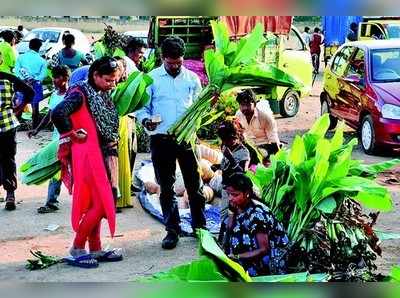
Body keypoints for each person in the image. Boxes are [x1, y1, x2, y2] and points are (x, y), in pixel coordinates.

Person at [136, 36, 207, 249]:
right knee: (165, 188)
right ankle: (172, 230)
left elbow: (198, 106)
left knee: (195, 185)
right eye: (170, 63)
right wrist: (145, 121)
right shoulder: (151, 79)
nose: (175, 66)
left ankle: (199, 227)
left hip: (187, 139)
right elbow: (142, 108)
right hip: (161, 138)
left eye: (179, 62)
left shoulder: (192, 79)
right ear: (162, 58)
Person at [51, 56, 122, 266]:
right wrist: (72, 134)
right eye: (109, 80)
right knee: (101, 204)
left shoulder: (99, 94)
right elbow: (58, 113)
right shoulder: (80, 93)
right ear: (95, 75)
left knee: (95, 202)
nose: (113, 84)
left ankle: (96, 248)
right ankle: (77, 247)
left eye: (115, 80)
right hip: (88, 156)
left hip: (98, 154)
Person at [219, 173, 290, 277]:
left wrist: (238, 256)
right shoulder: (235, 206)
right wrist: (231, 215)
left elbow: (263, 249)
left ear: (247, 193)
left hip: (267, 257)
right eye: (229, 194)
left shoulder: (257, 214)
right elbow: (228, 230)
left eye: (235, 195)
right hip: (243, 255)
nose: (230, 198)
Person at [28, 65, 70, 214]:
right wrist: (37, 129)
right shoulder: (55, 95)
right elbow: (49, 115)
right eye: (53, 77)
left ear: (65, 78)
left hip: (71, 138)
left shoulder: (71, 95)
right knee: (55, 169)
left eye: (57, 77)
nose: (54, 80)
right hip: (57, 139)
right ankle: (51, 201)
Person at [0, 71, 34, 211]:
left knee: (7, 159)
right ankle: (9, 194)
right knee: (7, 159)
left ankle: (10, 193)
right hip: (8, 124)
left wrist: (20, 108)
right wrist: (19, 107)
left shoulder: (8, 78)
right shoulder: (8, 78)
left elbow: (29, 93)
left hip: (6, 125)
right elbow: (30, 93)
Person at [216, 119, 250, 221]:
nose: (226, 142)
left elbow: (243, 172)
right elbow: (225, 165)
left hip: (236, 192)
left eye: (228, 139)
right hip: (226, 188)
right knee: (224, 215)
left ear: (236, 136)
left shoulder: (244, 152)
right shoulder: (226, 147)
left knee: (232, 216)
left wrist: (231, 158)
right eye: (223, 140)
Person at [235, 89, 280, 165]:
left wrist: (271, 160)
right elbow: (238, 133)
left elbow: (273, 141)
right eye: (242, 105)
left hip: (265, 148)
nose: (245, 108)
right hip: (249, 147)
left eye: (248, 104)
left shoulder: (265, 117)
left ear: (254, 104)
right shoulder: (238, 115)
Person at [14, 38, 47, 129]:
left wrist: (24, 80)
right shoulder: (42, 61)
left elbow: (16, 71)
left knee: (20, 105)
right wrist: (33, 79)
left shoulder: (21, 57)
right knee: (35, 107)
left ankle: (16, 126)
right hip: (35, 85)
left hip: (22, 84)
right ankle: (34, 128)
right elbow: (43, 75)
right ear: (39, 48)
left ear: (29, 46)